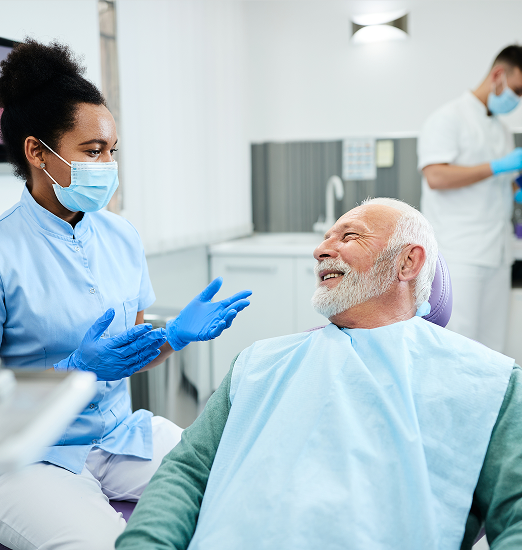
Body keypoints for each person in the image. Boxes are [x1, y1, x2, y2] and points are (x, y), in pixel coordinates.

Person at [116, 198, 522, 550]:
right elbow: (187, 473)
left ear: (407, 261)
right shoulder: (260, 362)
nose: (320, 250)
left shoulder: (488, 382)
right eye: (326, 238)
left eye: (348, 236)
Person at [0, 39, 251, 550]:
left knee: (243, 481)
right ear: (36, 152)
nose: (108, 164)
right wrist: (74, 371)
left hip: (118, 434)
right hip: (28, 454)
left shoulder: (120, 235)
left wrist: (173, 337)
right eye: (93, 151)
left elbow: (129, 353)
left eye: (112, 150)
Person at [418, 45, 522, 353]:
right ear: (498, 75)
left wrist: (516, 188)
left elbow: (495, 186)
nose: (518, 99)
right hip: (460, 253)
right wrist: (497, 166)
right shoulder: (447, 118)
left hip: (497, 253)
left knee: (492, 350)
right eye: (518, 89)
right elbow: (435, 177)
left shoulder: (502, 130)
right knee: (457, 347)